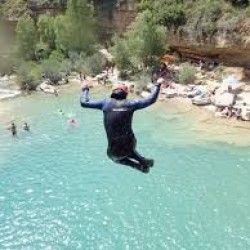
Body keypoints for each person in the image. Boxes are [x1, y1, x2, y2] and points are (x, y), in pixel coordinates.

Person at [80, 78, 164, 173]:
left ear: (113, 92)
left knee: (114, 155)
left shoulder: (105, 103)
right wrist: (157, 85)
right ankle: (142, 160)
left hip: (114, 152)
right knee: (127, 147)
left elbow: (84, 103)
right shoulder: (131, 104)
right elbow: (150, 99)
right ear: (126, 93)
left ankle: (138, 165)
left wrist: (85, 89)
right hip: (130, 145)